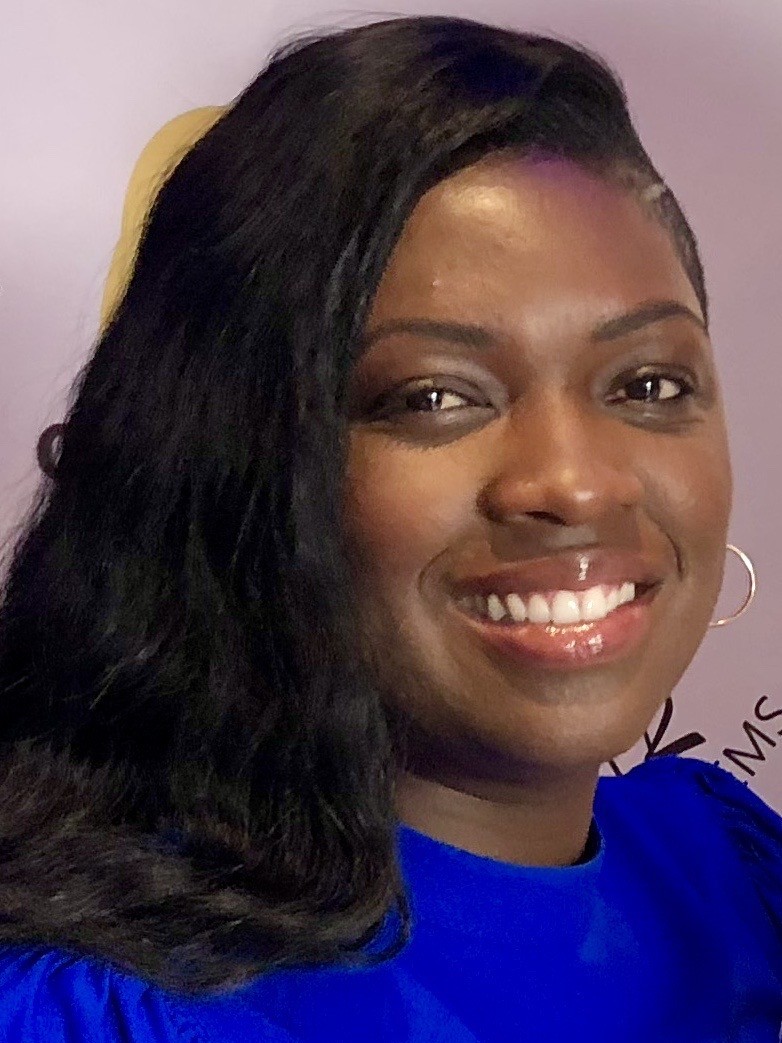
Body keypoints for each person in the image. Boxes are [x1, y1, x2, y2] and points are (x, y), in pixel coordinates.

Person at [0, 13, 780, 1042]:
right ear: (236, 459)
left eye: (646, 383)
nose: (576, 484)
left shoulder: (724, 871)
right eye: (432, 397)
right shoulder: (108, 1011)